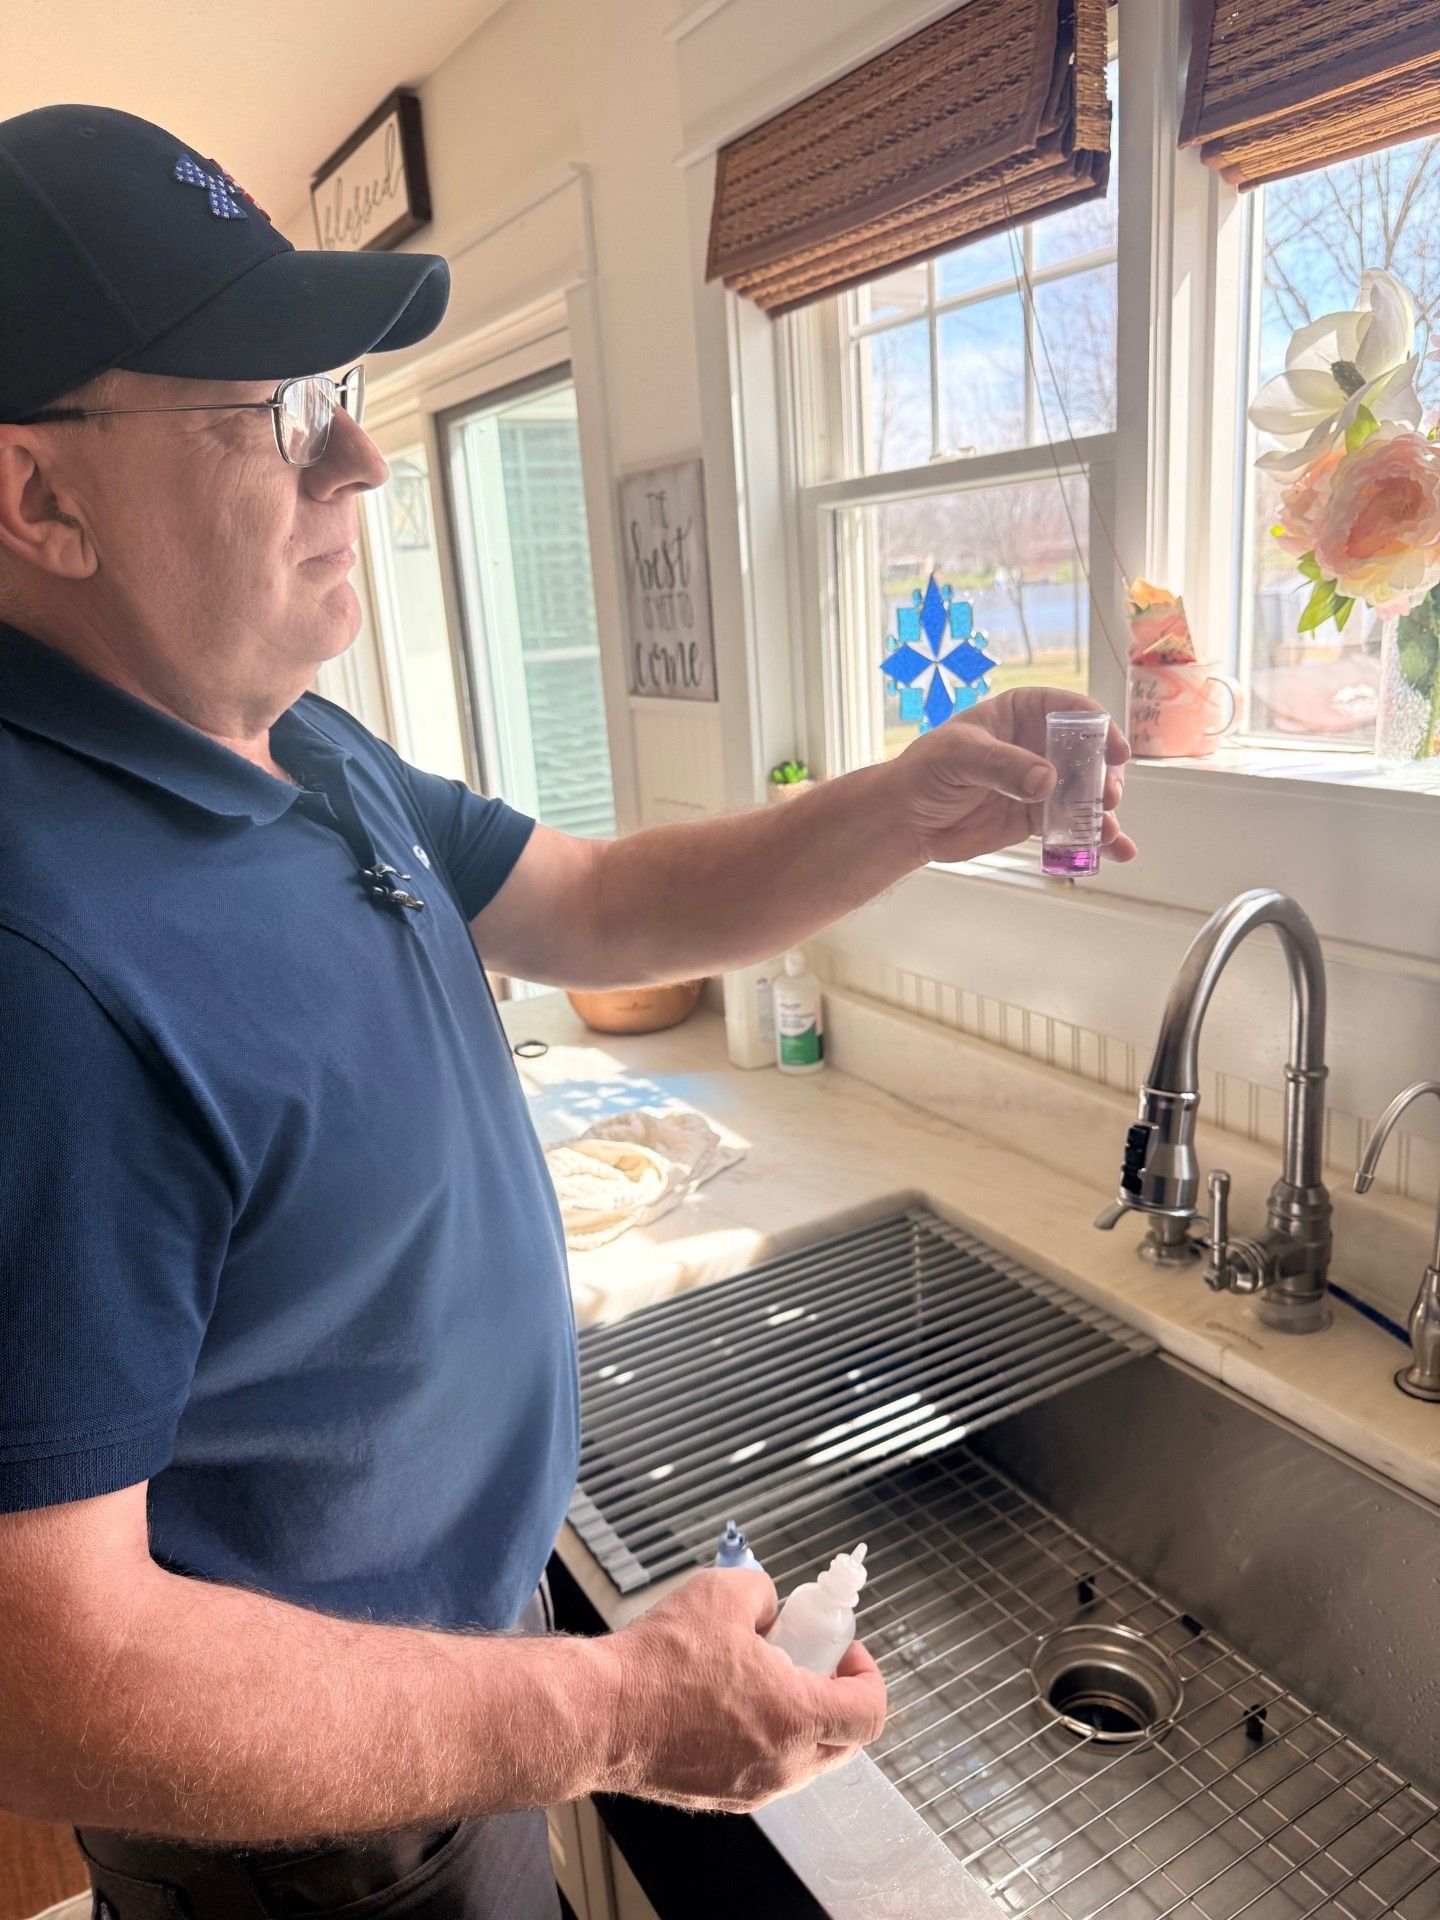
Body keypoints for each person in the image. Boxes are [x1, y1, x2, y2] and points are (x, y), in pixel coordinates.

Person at [0, 103, 1134, 1920]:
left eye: (335, 390)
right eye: (268, 412)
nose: (358, 454)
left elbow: (598, 902)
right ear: (40, 496)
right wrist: (604, 1711)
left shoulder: (279, 734)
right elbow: (48, 1682)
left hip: (462, 1685)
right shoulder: (38, 956)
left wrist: (917, 804)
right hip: (321, 1840)